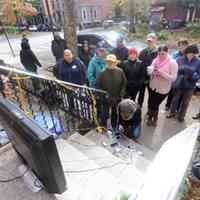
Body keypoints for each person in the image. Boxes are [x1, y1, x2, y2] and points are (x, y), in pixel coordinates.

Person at [167, 45, 200, 122]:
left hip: (190, 85)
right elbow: (175, 71)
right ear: (187, 52)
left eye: (193, 54)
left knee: (186, 102)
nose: (191, 55)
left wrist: (193, 76)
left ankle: (181, 116)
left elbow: (199, 74)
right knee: (175, 99)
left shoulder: (198, 61)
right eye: (190, 53)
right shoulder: (179, 59)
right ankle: (172, 113)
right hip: (180, 83)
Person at [147, 45, 178, 126]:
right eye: (159, 53)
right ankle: (150, 117)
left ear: (167, 53)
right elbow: (151, 71)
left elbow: (173, 78)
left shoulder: (172, 63)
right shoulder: (155, 60)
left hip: (163, 89)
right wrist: (150, 72)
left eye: (163, 54)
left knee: (155, 104)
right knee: (150, 102)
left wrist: (162, 73)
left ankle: (154, 119)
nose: (161, 56)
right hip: (152, 86)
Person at [96, 54, 127, 131]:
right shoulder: (102, 73)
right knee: (105, 114)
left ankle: (114, 126)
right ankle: (103, 126)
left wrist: (121, 94)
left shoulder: (120, 71)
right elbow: (98, 86)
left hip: (117, 97)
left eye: (112, 62)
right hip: (106, 98)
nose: (110, 63)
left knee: (115, 113)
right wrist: (103, 96)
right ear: (106, 62)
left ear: (115, 63)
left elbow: (124, 83)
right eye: (108, 62)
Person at [165, 39, 189, 111]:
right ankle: (168, 105)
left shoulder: (188, 55)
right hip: (174, 76)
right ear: (178, 46)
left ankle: (177, 108)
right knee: (172, 92)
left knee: (180, 94)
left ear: (187, 46)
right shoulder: (175, 54)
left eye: (184, 45)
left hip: (184, 77)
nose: (182, 47)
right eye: (181, 45)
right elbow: (170, 63)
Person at [138, 33, 158, 107]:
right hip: (143, 76)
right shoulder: (143, 51)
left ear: (155, 41)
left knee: (152, 94)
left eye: (151, 41)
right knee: (141, 93)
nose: (149, 42)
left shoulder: (158, 52)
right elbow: (139, 63)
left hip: (153, 77)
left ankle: (150, 109)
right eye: (148, 41)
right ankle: (139, 106)